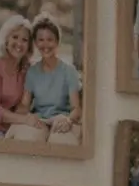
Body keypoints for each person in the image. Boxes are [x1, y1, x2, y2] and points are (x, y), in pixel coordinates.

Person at [7, 13, 82, 146]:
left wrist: (68, 121)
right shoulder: (33, 71)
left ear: (57, 41)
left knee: (60, 143)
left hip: (61, 120)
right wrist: (21, 115)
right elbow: (25, 104)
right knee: (26, 140)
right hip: (40, 121)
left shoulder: (69, 71)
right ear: (35, 43)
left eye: (50, 39)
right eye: (40, 40)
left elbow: (76, 108)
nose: (45, 44)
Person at [0, 14, 33, 138]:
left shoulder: (26, 68)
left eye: (24, 40)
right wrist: (24, 119)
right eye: (15, 37)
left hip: (11, 126)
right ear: (6, 39)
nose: (19, 43)